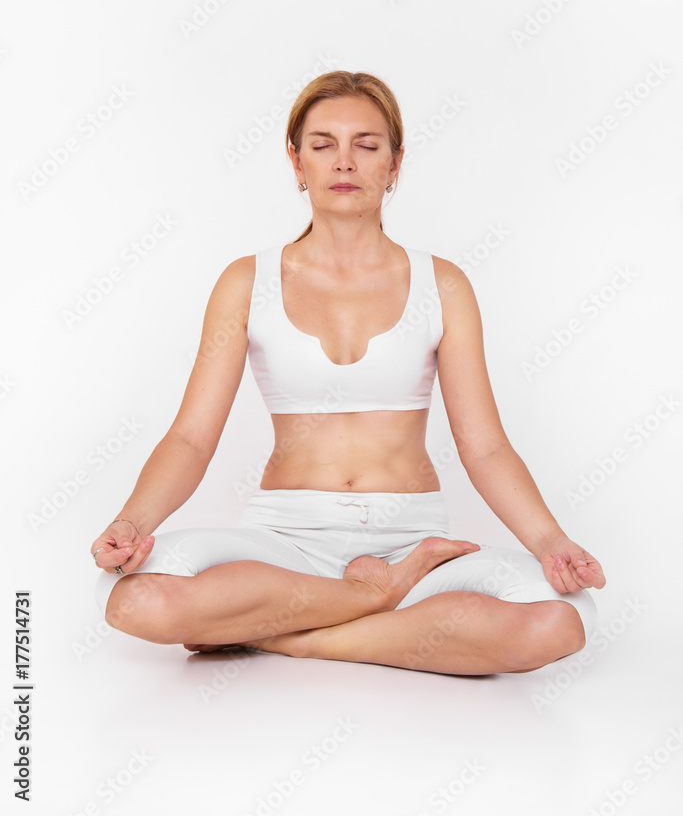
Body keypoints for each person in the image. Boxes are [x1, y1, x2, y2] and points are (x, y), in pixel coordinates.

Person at [91, 70, 605, 676]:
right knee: (132, 601)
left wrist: (552, 544)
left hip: (412, 542)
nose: (345, 162)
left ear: (395, 164)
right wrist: (131, 523)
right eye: (322, 144)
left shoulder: (444, 286)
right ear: (296, 161)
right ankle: (372, 601)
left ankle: (296, 637)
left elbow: (485, 447)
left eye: (367, 145)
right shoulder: (244, 283)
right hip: (283, 542)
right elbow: (191, 438)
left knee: (564, 619)